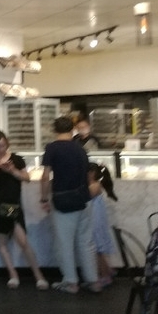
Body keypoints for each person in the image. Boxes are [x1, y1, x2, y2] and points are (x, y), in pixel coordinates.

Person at [0, 130, 48, 290]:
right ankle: (13, 275)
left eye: (3, 145)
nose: (1, 149)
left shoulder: (17, 159)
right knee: (2, 243)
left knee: (23, 241)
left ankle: (39, 276)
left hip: (13, 205)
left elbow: (27, 178)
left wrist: (12, 170)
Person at [40, 116, 100, 294]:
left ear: (54, 130)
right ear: (72, 129)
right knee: (86, 242)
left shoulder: (52, 148)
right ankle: (93, 281)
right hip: (84, 199)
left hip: (64, 201)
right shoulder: (80, 148)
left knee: (64, 244)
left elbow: (45, 176)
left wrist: (44, 198)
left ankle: (71, 282)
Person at [88, 162, 117, 287]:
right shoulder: (96, 185)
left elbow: (85, 196)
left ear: (91, 173)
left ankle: (105, 276)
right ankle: (108, 271)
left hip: (96, 221)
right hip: (97, 220)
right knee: (98, 249)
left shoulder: (95, 186)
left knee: (98, 250)